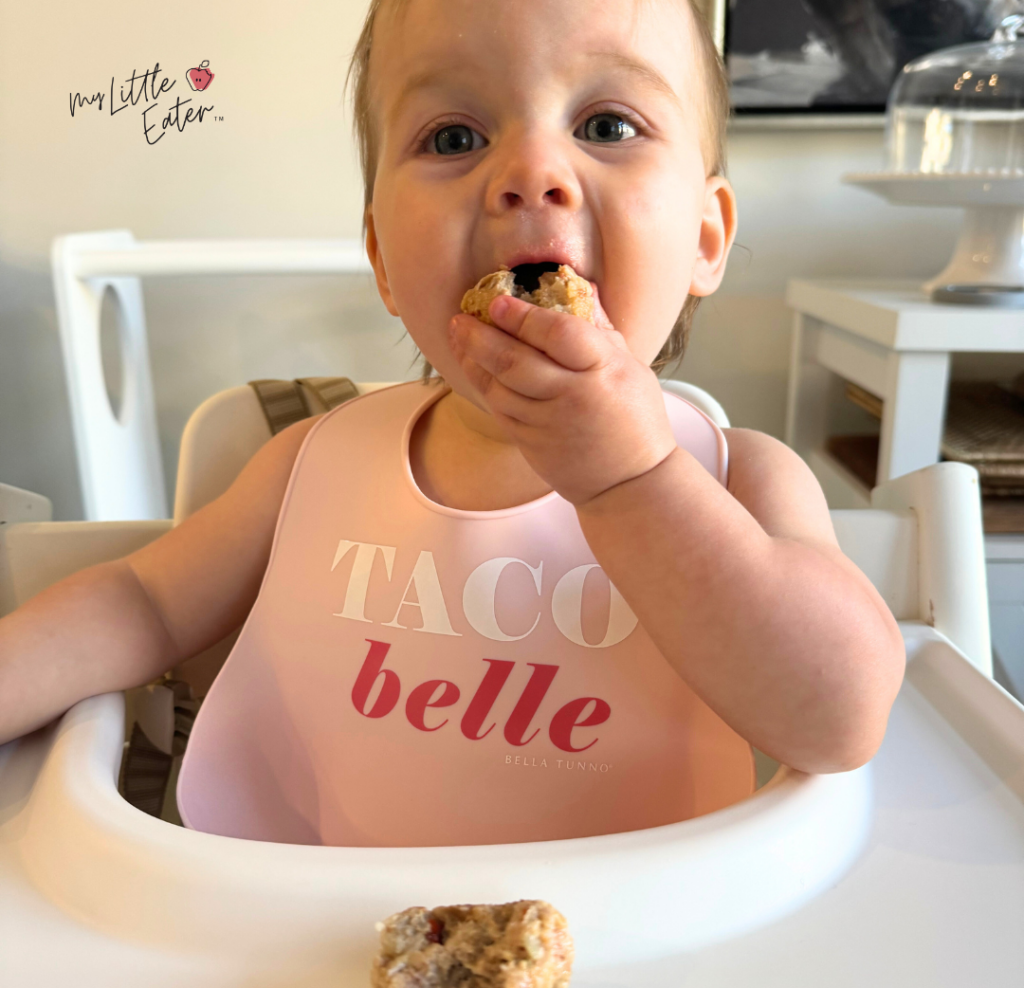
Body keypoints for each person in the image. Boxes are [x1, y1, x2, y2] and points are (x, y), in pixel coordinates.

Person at [0, 0, 905, 845]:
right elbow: (143, 604)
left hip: (631, 949)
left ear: (707, 238)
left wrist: (632, 481)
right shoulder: (311, 465)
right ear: (384, 261)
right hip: (309, 928)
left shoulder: (741, 482)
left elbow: (839, 719)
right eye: (456, 136)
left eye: (607, 126)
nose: (532, 176)